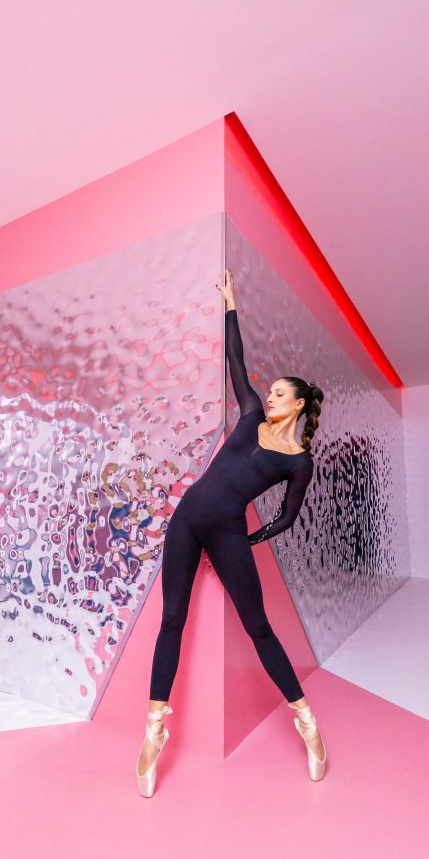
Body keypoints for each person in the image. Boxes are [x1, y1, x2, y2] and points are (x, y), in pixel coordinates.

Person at [135, 269, 327, 797]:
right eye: (272, 391)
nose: (271, 396)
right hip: (187, 518)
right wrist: (231, 305)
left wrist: (252, 540)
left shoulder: (299, 461)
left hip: (227, 532)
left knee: (258, 626)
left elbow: (288, 515)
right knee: (171, 619)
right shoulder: (249, 415)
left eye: (281, 393)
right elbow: (235, 361)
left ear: (298, 405)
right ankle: (153, 731)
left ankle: (306, 721)